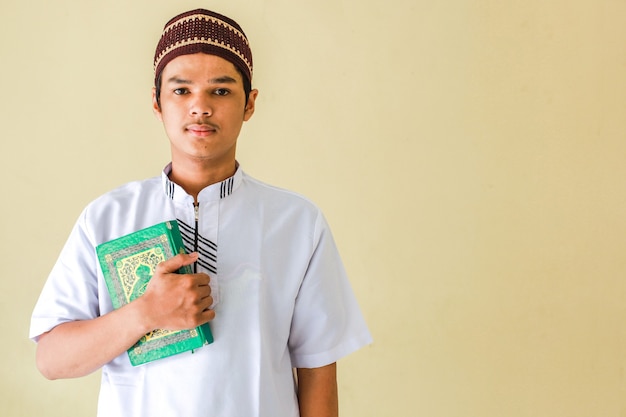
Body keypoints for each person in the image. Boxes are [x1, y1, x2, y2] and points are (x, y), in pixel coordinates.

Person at [29, 8, 372, 417]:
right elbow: (51, 359)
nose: (200, 107)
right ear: (157, 102)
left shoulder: (297, 223)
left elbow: (317, 373)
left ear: (250, 103)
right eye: (181, 90)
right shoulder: (106, 218)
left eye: (221, 91)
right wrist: (144, 313)